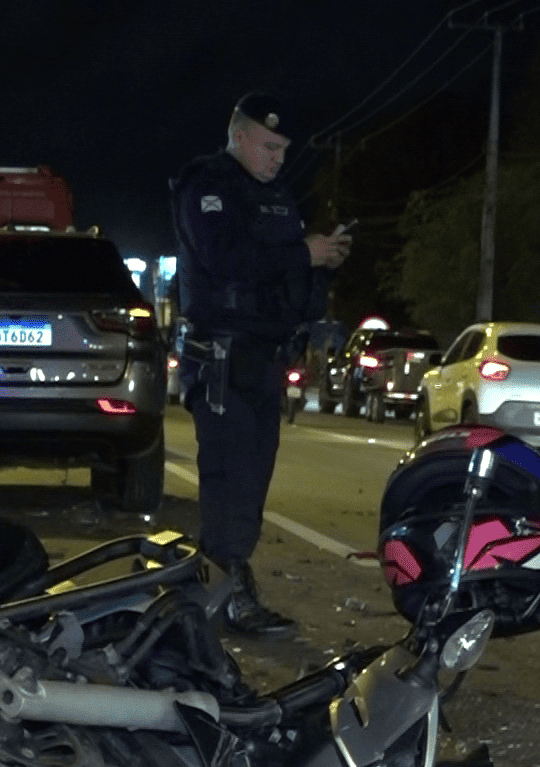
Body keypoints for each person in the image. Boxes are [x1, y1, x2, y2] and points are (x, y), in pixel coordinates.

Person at [170, 92, 349, 637]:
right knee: (230, 479)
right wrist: (303, 253)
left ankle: (216, 588)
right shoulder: (209, 183)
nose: (278, 158)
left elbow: (285, 281)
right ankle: (222, 594)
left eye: (284, 149)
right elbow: (222, 259)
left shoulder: (277, 198)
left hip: (264, 360)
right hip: (222, 356)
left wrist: (323, 265)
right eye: (270, 145)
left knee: (252, 481)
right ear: (240, 134)